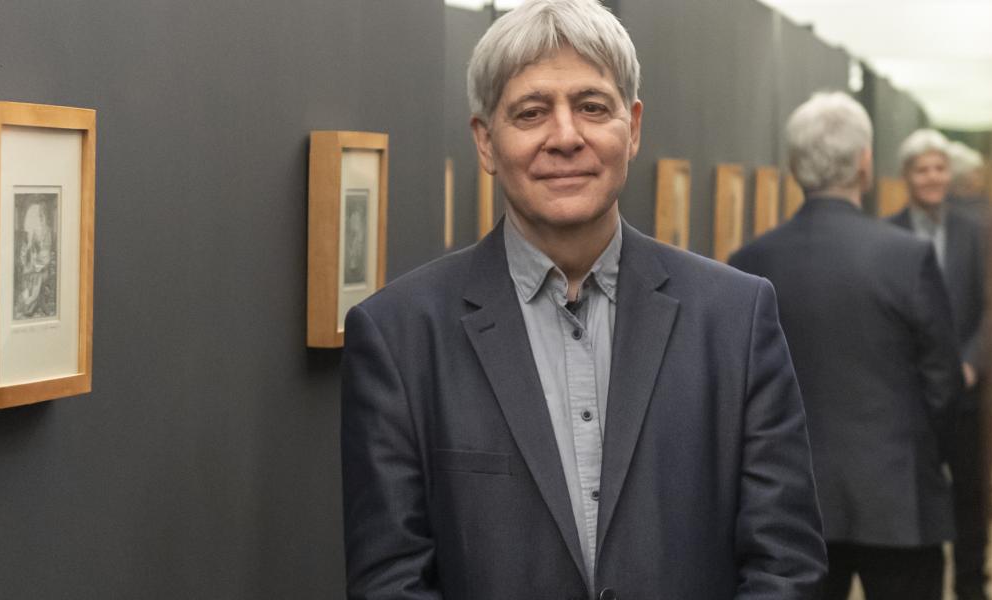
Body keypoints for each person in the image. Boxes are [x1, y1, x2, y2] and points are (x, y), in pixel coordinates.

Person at [340, 1, 826, 598]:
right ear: (486, 142)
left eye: (592, 107)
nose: (566, 137)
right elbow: (391, 580)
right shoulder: (399, 336)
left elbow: (786, 566)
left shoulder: (735, 319)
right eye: (531, 112)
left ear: (634, 127)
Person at [729, 93, 963, 600]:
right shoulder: (909, 257)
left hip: (790, 509)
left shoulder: (748, 262)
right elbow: (944, 388)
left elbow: (738, 393)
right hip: (900, 504)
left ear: (794, 166)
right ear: (865, 164)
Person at [888, 129, 992, 600]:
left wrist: (970, 363)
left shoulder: (978, 232)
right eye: (922, 170)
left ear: (950, 174)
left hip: (970, 398)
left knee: (972, 497)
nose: (932, 177)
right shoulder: (888, 234)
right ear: (906, 176)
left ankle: (973, 587)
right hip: (912, 401)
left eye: (939, 168)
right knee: (919, 497)